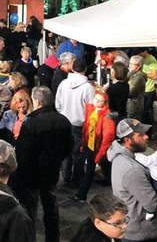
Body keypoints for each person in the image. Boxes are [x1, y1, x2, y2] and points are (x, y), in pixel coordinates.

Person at [15, 86, 72, 242]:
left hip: (32, 174)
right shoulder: (63, 120)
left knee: (29, 210)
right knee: (51, 208)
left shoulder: (31, 123)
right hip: (52, 171)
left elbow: (22, 152)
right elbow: (68, 147)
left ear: (36, 101)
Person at [107, 118, 157, 241]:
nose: (146, 137)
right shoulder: (132, 170)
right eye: (141, 135)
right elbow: (152, 204)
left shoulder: (120, 158)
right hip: (138, 233)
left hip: (130, 227)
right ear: (127, 140)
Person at [55, 59, 95, 186]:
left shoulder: (64, 83)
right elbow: (91, 109)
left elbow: (58, 104)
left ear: (72, 68)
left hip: (64, 122)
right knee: (78, 153)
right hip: (79, 124)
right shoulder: (88, 88)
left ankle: (66, 177)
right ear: (84, 70)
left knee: (66, 152)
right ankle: (76, 179)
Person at [72, 90, 116, 202]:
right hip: (89, 144)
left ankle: (81, 195)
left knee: (90, 170)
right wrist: (83, 143)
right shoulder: (90, 109)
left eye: (100, 100)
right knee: (104, 165)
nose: (96, 102)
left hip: (98, 148)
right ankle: (109, 180)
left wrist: (99, 155)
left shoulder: (107, 117)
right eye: (95, 99)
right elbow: (86, 128)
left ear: (105, 102)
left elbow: (107, 139)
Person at [138, 48, 157, 124]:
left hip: (148, 90)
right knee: (142, 112)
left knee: (145, 113)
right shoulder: (143, 59)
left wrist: (142, 74)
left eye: (140, 53)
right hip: (142, 89)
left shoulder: (152, 60)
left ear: (145, 51)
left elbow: (154, 76)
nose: (139, 55)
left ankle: (148, 130)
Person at [127, 55, 147, 120]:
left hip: (134, 106)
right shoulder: (131, 74)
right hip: (130, 104)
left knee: (133, 125)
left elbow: (131, 93)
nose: (130, 65)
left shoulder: (139, 77)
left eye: (132, 64)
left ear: (139, 66)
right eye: (130, 63)